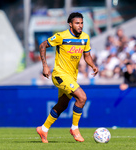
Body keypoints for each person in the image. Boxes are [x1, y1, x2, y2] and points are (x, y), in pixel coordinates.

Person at [36, 12, 98, 143]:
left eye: (81, 23)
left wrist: (93, 65)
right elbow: (42, 45)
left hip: (72, 77)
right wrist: (45, 66)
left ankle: (43, 129)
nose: (80, 26)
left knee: (62, 105)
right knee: (82, 97)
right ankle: (74, 129)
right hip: (59, 74)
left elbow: (87, 56)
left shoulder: (85, 37)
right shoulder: (61, 36)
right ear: (70, 24)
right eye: (77, 23)